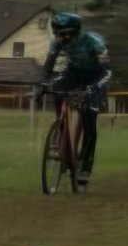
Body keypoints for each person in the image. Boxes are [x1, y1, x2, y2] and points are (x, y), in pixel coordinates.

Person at [37, 10, 112, 184]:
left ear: (74, 33)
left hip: (95, 77)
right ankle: (60, 131)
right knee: (56, 87)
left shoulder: (95, 42)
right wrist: (44, 83)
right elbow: (52, 65)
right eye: (56, 34)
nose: (59, 39)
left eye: (63, 35)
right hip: (73, 74)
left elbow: (107, 70)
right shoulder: (58, 43)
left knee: (89, 120)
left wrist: (96, 86)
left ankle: (85, 166)